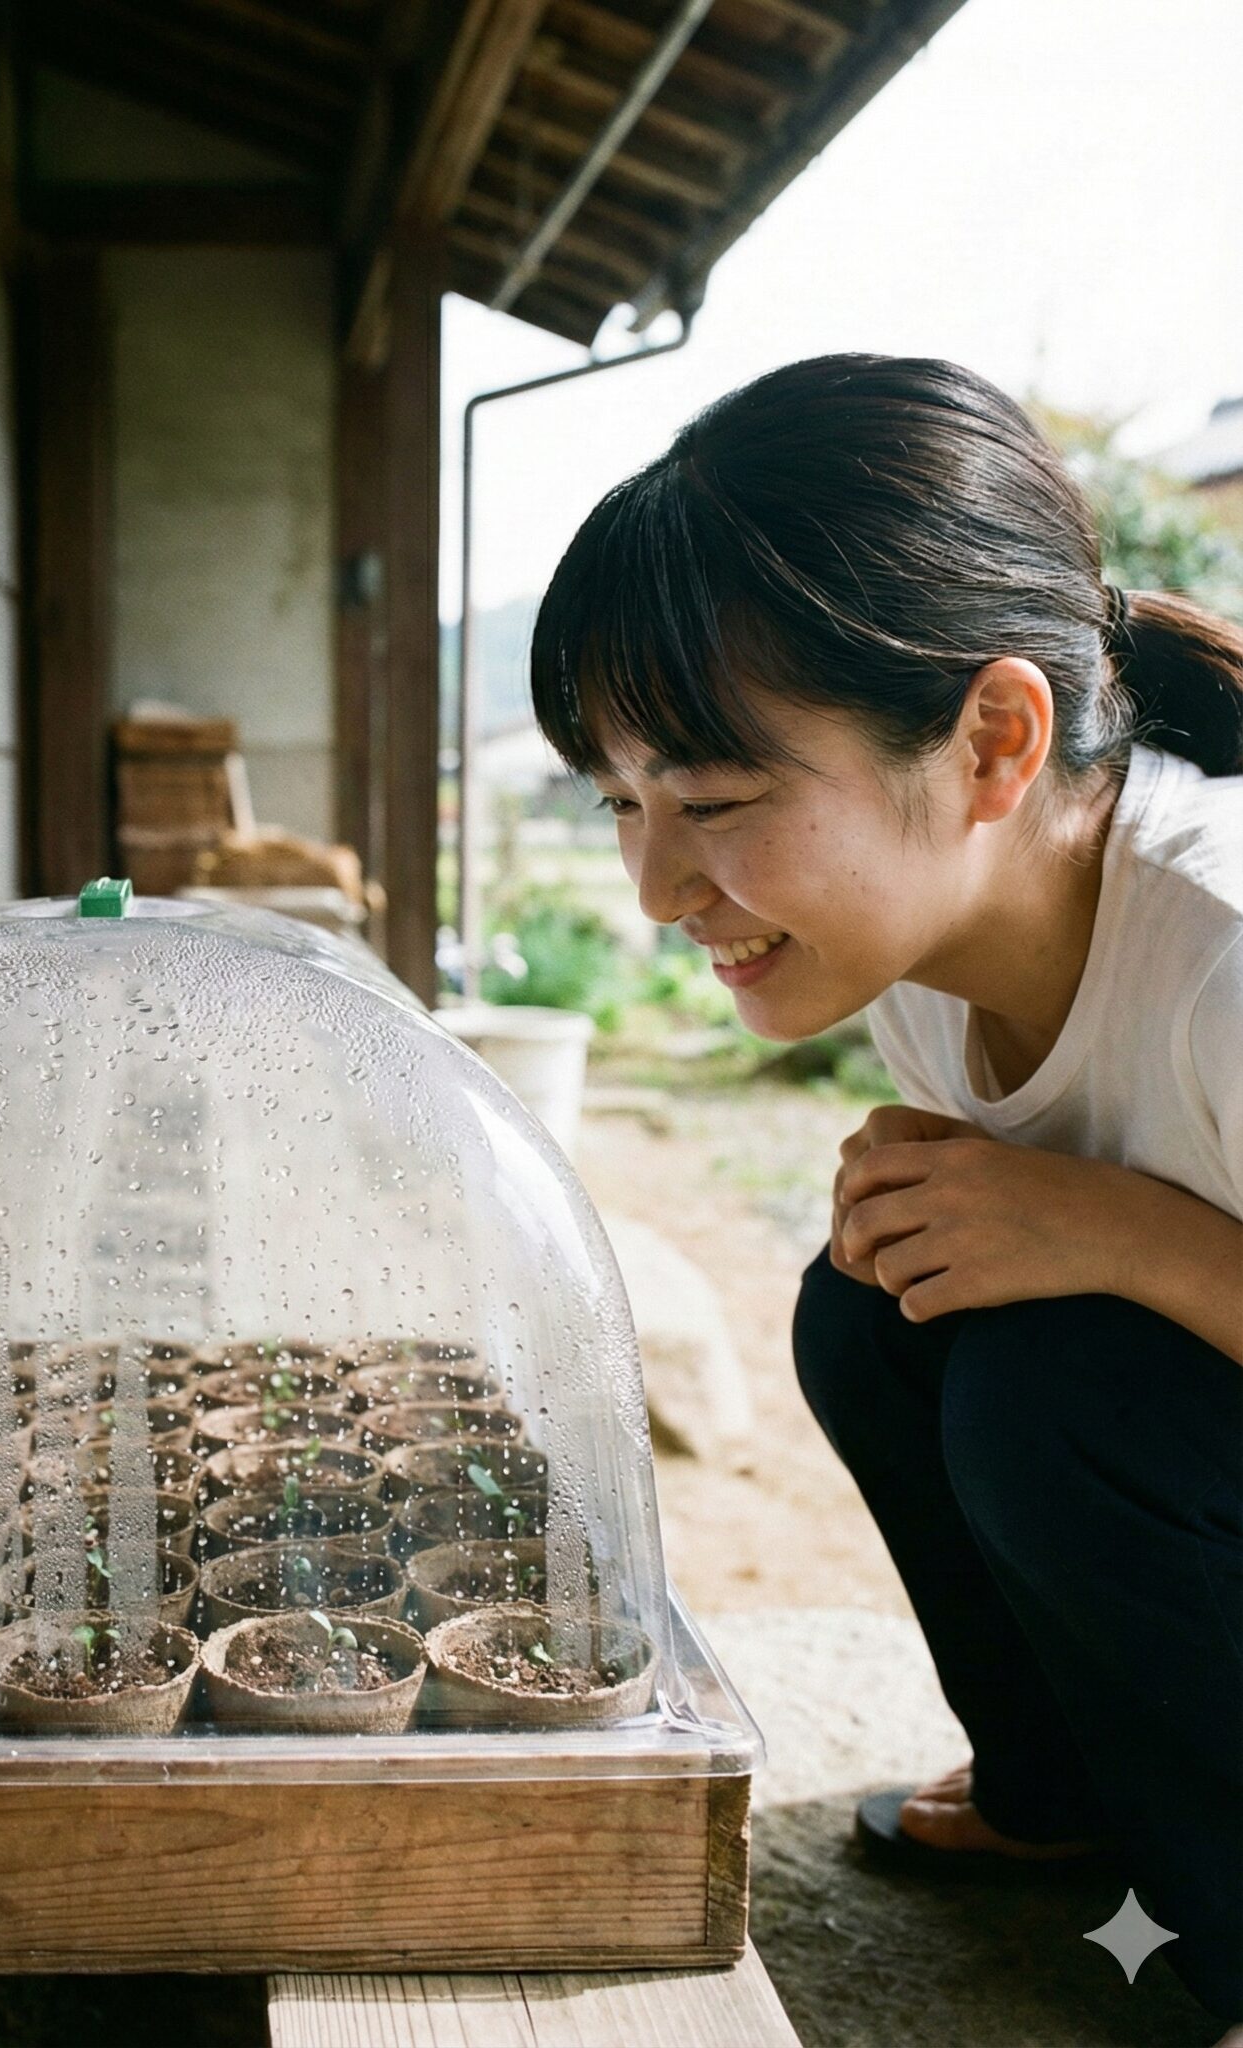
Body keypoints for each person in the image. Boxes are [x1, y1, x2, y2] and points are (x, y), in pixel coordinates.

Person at [527, 354, 1243, 2025]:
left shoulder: (1223, 959)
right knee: (884, 1294)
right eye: (624, 804)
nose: (653, 887)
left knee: (1051, 1389)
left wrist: (1125, 1237)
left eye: (711, 800)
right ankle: (1068, 1801)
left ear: (995, 738)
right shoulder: (928, 954)